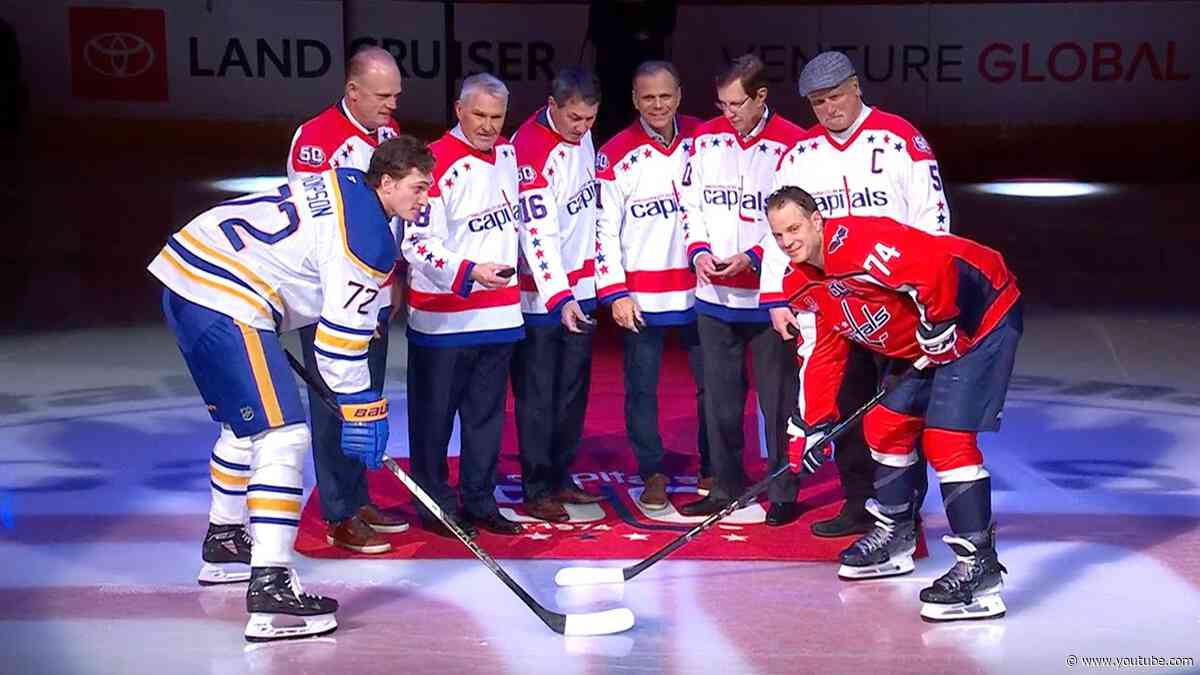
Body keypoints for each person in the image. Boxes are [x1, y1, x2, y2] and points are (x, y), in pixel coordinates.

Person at [147, 136, 435, 640]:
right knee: (284, 436)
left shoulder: (348, 178)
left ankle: (224, 541)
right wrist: (362, 409)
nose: (425, 197)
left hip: (188, 274)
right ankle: (271, 586)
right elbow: (337, 349)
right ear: (387, 183)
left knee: (244, 430)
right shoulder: (368, 238)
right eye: (418, 186)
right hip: (227, 298)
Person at [766, 186, 1021, 622]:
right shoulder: (802, 281)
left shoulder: (863, 246)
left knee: (946, 441)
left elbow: (935, 265)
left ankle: (980, 568)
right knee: (884, 425)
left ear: (816, 221)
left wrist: (940, 319)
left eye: (794, 228)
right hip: (923, 341)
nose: (788, 240)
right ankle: (897, 534)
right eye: (778, 234)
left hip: (979, 317)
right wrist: (813, 424)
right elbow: (825, 348)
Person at [761, 50, 951, 538]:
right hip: (837, 307)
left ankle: (904, 504)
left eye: (835, 97)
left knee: (903, 409)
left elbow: (933, 218)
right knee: (846, 403)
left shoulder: (899, 138)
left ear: (856, 87)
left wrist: (929, 295)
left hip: (899, 304)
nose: (829, 109)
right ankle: (858, 502)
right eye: (818, 102)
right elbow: (781, 229)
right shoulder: (798, 155)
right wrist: (777, 296)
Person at [675, 54, 806, 526]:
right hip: (714, 298)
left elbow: (796, 223)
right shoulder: (704, 138)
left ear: (761, 97)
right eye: (722, 103)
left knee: (778, 404)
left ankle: (783, 489)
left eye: (737, 103)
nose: (728, 112)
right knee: (719, 401)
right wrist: (699, 251)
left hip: (769, 300)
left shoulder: (794, 144)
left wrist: (752, 257)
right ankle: (726, 489)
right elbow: (691, 204)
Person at [286, 46, 408, 554]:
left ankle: (357, 501)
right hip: (330, 299)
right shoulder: (316, 142)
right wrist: (356, 298)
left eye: (396, 94)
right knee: (334, 404)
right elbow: (318, 232)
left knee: (364, 398)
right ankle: (338, 513)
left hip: (372, 295)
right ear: (352, 90)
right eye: (382, 95)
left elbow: (395, 212)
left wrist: (391, 279)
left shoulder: (388, 132)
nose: (392, 103)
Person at [401, 73, 525, 537]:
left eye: (496, 117)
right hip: (443, 319)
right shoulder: (434, 162)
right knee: (433, 421)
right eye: (479, 115)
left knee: (486, 418)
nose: (489, 126)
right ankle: (434, 504)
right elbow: (416, 243)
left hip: (500, 316)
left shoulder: (510, 156)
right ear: (458, 110)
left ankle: (479, 499)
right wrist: (469, 271)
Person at [594, 60, 709, 511]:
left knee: (712, 387)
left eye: (665, 96)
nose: (658, 105)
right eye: (648, 97)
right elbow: (602, 229)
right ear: (635, 100)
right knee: (641, 389)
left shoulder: (705, 139)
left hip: (703, 291)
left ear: (679, 94)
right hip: (640, 296)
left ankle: (714, 468)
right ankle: (651, 472)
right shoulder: (615, 152)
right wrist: (615, 292)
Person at [510, 67, 605, 523]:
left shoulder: (582, 136)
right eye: (574, 119)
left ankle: (562, 473)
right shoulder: (529, 150)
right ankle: (536, 486)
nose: (582, 127)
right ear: (553, 104)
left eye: (589, 119)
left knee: (572, 391)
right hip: (541, 298)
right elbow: (538, 236)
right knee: (538, 393)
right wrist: (558, 298)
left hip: (580, 290)